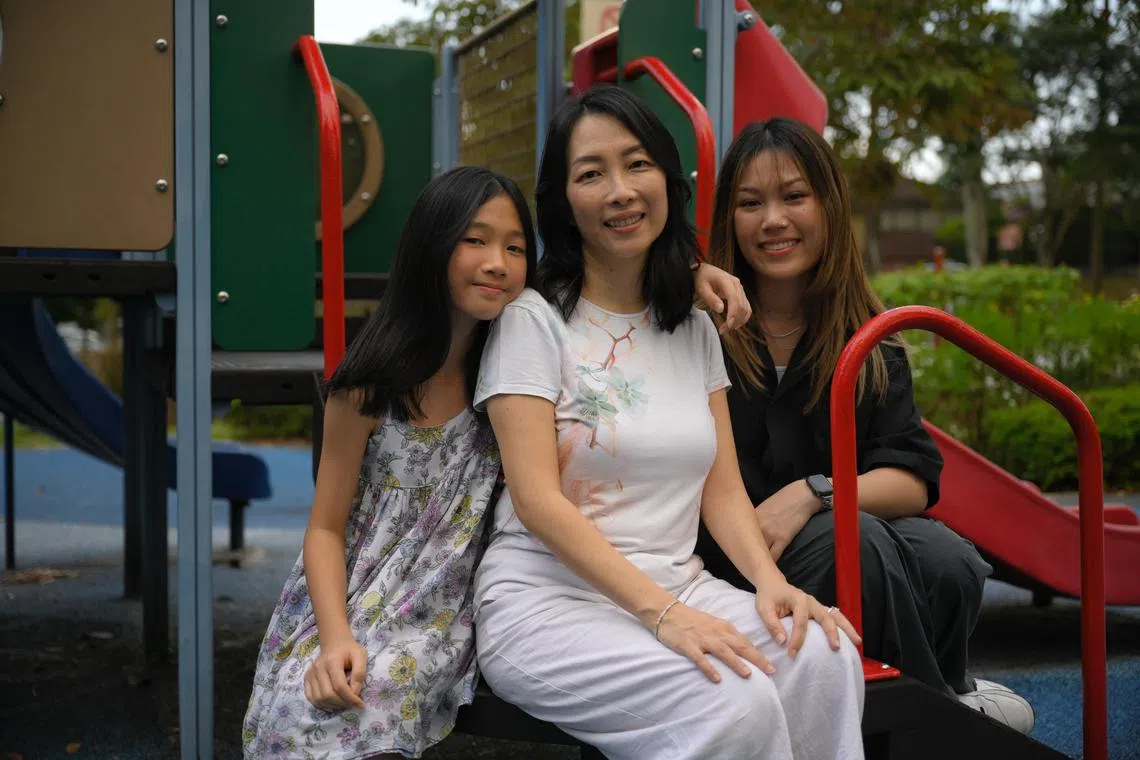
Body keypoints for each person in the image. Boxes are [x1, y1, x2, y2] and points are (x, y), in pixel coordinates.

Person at [241, 164, 755, 760]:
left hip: (441, 609)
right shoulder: (369, 389)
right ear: (432, 247)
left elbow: (607, 281)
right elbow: (326, 527)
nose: (497, 263)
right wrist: (334, 637)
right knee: (298, 707)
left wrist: (691, 274)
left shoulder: (519, 358)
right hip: (355, 594)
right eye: (475, 240)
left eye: (515, 247)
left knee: (372, 699)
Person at [472, 85, 866, 760]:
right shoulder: (532, 322)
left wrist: (773, 586)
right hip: (549, 603)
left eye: (637, 164)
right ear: (563, 201)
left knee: (822, 653)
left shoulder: (692, 326)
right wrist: (665, 617)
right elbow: (537, 503)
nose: (620, 190)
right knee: (731, 701)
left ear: (667, 178)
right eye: (591, 174)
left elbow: (722, 490)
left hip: (680, 583)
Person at [697, 117, 1034, 734]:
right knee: (862, 544)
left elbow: (913, 477)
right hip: (728, 551)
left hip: (820, 530)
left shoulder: (868, 340)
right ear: (729, 220)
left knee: (948, 558)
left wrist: (812, 493)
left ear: (828, 206)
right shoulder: (699, 329)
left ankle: (936, 694)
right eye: (751, 203)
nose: (773, 219)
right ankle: (942, 724)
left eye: (794, 196)